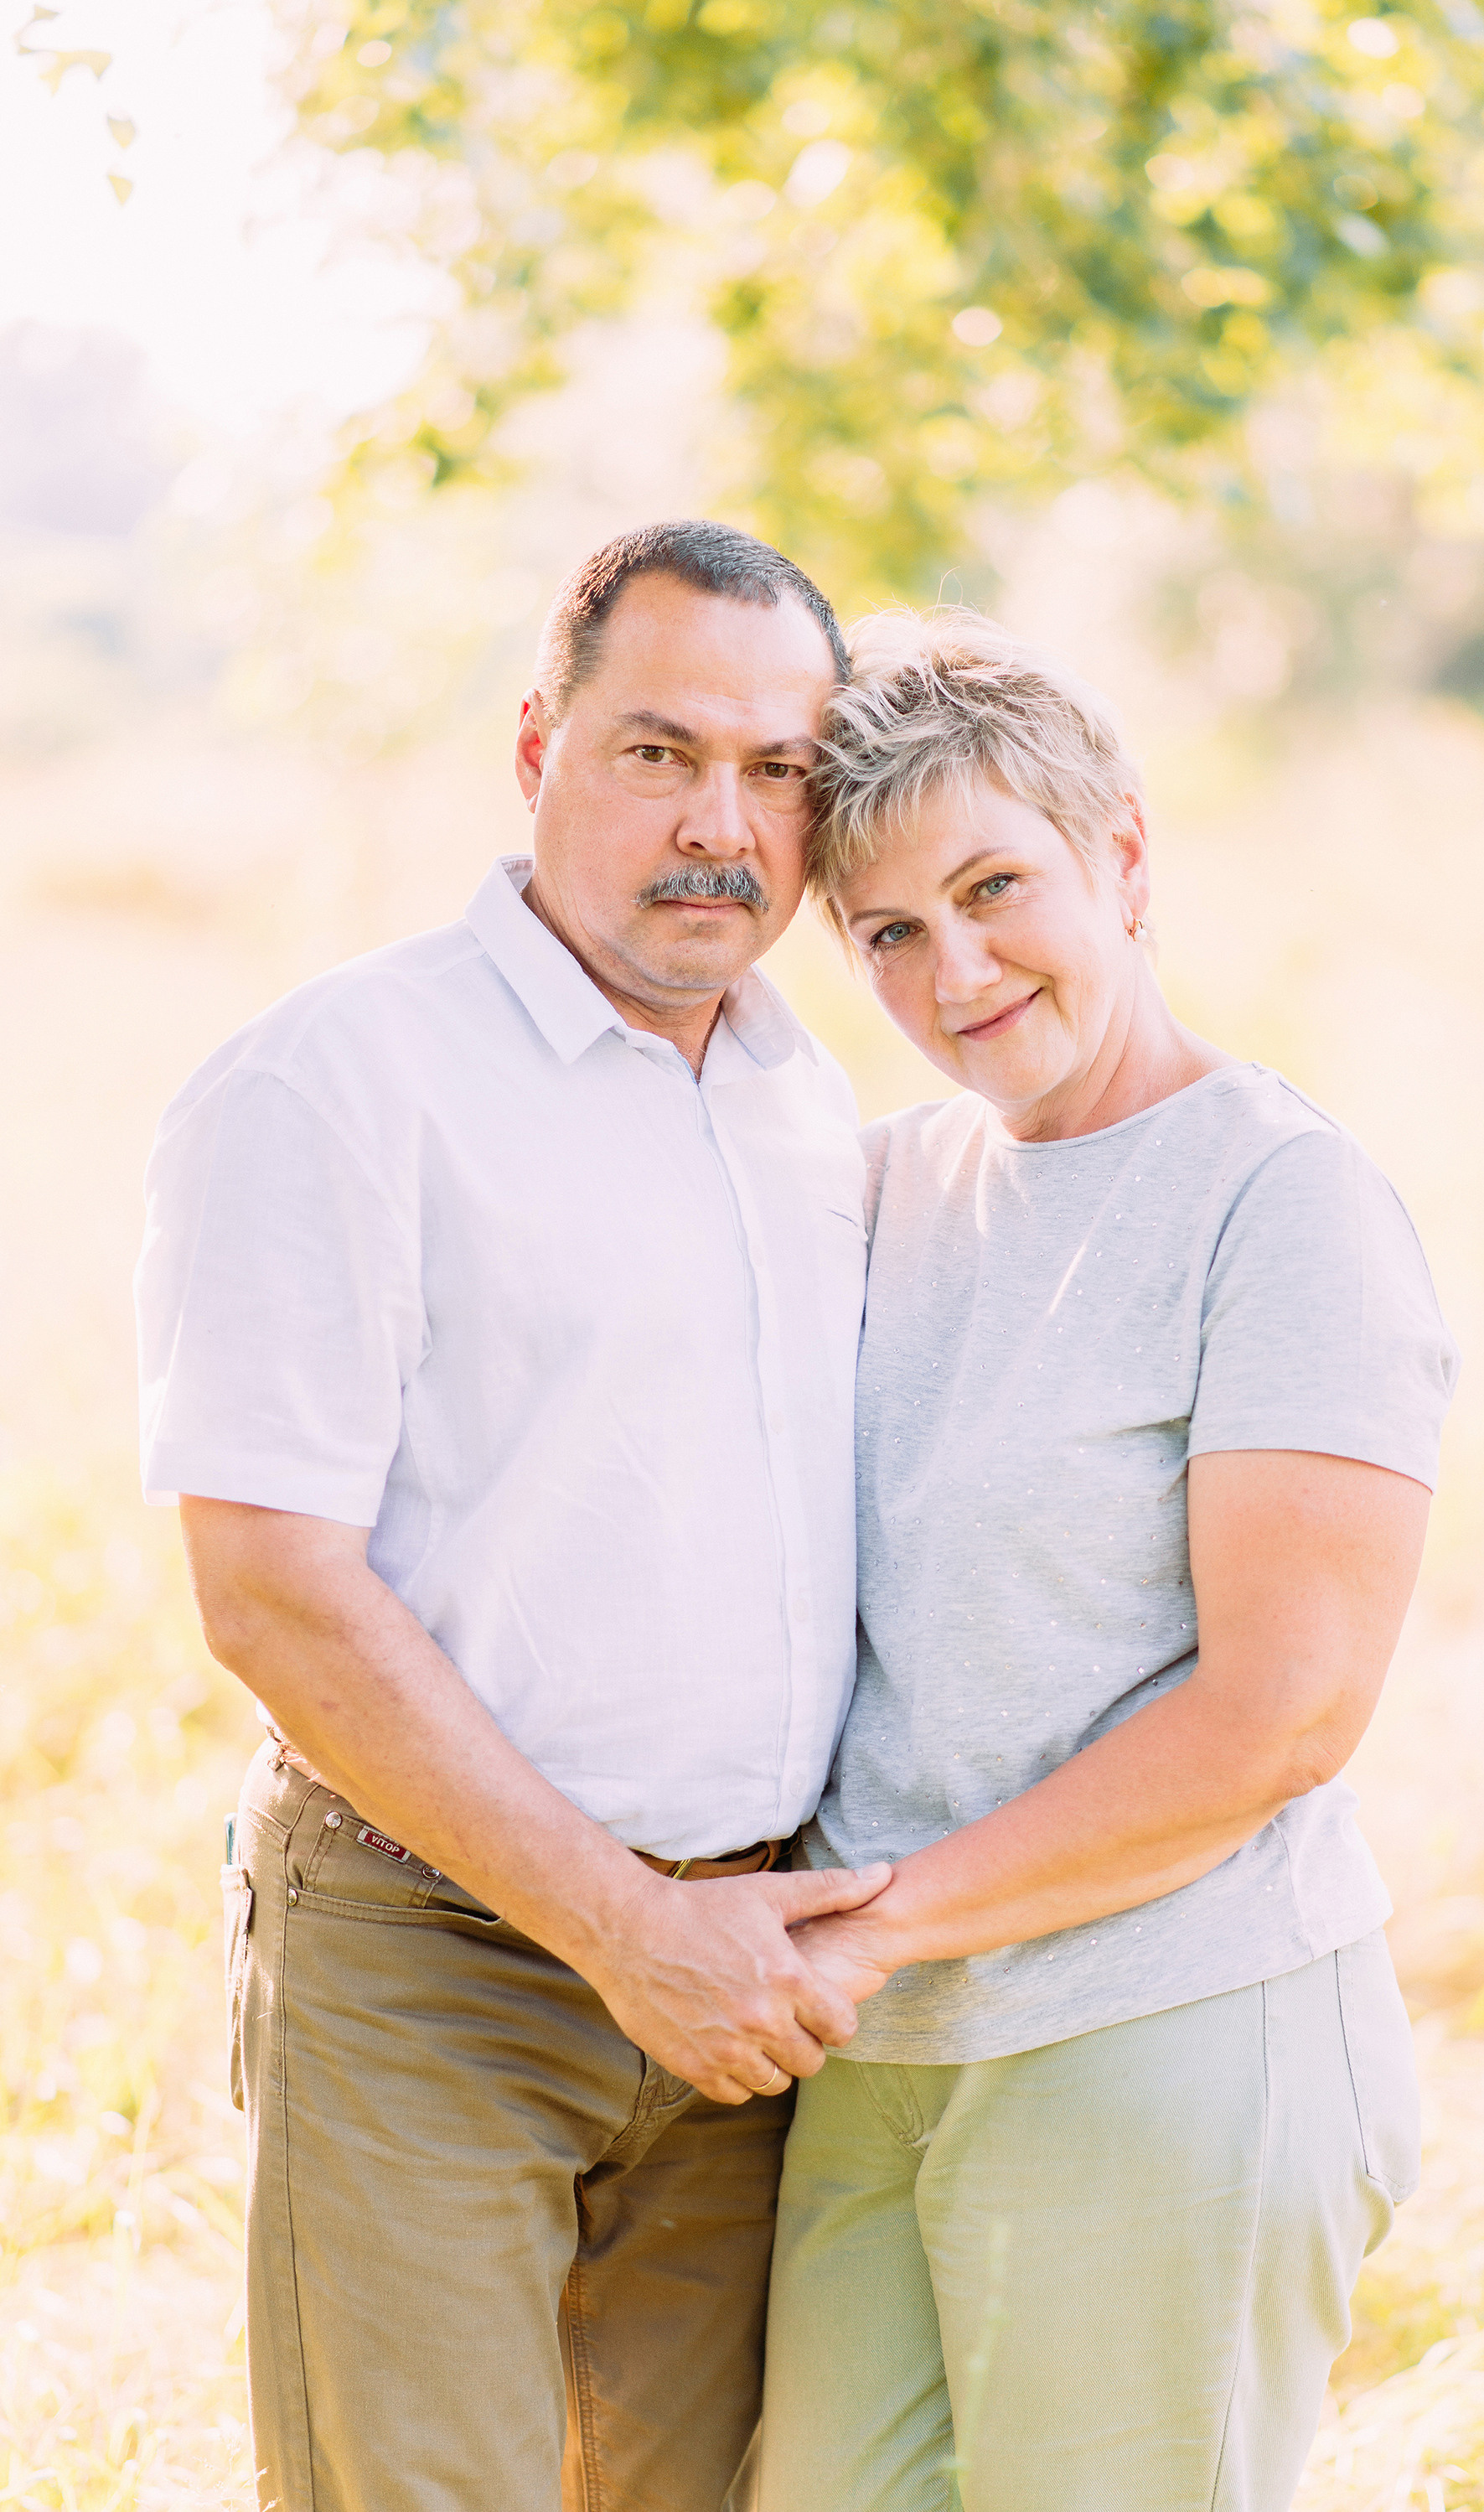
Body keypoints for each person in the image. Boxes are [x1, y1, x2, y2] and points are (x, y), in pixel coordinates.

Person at [135, 521, 892, 2512]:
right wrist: (620, 1925)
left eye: (778, 769)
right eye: (658, 752)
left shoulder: (819, 1105)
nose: (720, 821)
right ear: (540, 743)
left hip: (749, 1972)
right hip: (436, 1952)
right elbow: (270, 1591)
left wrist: (705, 1939)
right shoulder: (340, 1078)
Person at [754, 610, 1461, 2512]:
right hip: (882, 2043)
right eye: (888, 930)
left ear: (1126, 858)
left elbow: (1277, 1712)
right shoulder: (888, 1185)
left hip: (1164, 2024)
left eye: (997, 887)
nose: (954, 968)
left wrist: (884, 1919)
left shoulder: (1277, 1201)